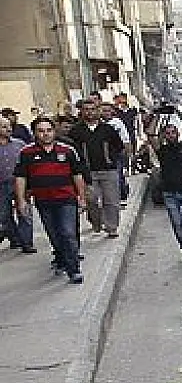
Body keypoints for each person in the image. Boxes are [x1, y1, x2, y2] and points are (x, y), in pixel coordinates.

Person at [14, 117, 89, 283]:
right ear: (34, 133)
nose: (45, 134)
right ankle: (61, 258)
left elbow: (77, 175)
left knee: (68, 233)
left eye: (49, 130)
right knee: (54, 235)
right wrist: (21, 201)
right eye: (41, 131)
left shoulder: (67, 150)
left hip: (66, 199)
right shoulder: (26, 153)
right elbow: (20, 178)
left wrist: (82, 198)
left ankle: (74, 269)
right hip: (43, 201)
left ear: (54, 131)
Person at [72, 100, 124, 237]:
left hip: (108, 170)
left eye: (92, 109)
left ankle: (112, 227)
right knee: (91, 200)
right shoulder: (76, 131)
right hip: (87, 172)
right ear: (81, 111)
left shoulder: (107, 129)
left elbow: (119, 146)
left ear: (98, 111)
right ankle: (96, 221)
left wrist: (111, 158)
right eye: (86, 109)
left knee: (111, 200)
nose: (89, 112)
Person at [154, 117, 182, 262]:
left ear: (178, 134)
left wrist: (178, 113)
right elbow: (151, 135)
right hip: (169, 193)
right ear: (164, 135)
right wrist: (157, 115)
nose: (171, 135)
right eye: (168, 133)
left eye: (173, 132)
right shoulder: (162, 150)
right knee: (177, 224)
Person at [0, 117, 35, 253]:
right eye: (4, 126)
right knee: (4, 215)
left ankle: (27, 243)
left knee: (24, 212)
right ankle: (15, 238)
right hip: (2, 185)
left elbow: (29, 164)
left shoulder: (19, 144)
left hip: (21, 182)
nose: (8, 129)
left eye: (9, 126)